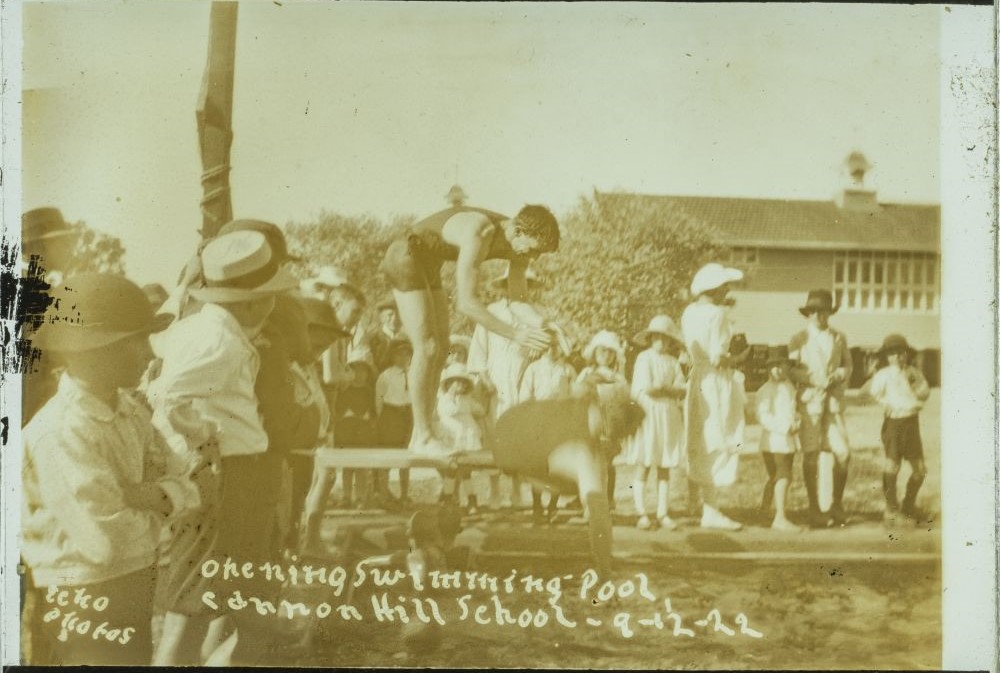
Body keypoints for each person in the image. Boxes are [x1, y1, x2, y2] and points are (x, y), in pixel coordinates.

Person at [22, 273, 193, 666]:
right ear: (97, 351)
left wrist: (145, 496)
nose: (151, 355)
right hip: (82, 593)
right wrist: (161, 506)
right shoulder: (60, 431)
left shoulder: (130, 412)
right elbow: (103, 539)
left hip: (133, 580)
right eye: (138, 342)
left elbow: (185, 479)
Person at [145, 230, 297, 665]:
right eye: (270, 296)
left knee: (212, 601)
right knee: (196, 603)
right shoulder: (221, 342)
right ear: (251, 302)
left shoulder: (201, 328)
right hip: (231, 474)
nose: (273, 304)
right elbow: (163, 395)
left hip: (237, 472)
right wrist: (199, 447)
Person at [379, 204, 560, 455]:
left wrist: (545, 324)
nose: (533, 258)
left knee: (441, 350)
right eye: (533, 249)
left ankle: (424, 433)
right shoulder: (481, 231)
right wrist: (516, 334)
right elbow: (466, 303)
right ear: (518, 230)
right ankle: (421, 436)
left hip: (429, 263)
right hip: (405, 256)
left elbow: (517, 300)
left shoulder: (519, 245)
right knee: (428, 347)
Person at [493, 380, 644, 579]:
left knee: (593, 474)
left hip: (510, 425)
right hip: (515, 447)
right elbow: (598, 514)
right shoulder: (584, 451)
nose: (620, 445)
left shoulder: (583, 409)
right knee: (596, 491)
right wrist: (605, 572)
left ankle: (602, 555)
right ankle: (604, 568)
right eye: (622, 438)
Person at [680, 262, 748, 531]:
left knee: (701, 437)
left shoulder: (688, 312)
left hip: (697, 379)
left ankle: (699, 502)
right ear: (714, 289)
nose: (726, 291)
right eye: (723, 286)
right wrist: (740, 358)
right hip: (715, 382)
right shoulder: (717, 315)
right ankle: (711, 510)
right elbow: (719, 357)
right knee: (719, 437)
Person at [788, 289, 853, 528]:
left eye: (823, 311)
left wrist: (838, 374)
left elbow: (848, 365)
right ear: (808, 314)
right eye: (814, 311)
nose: (818, 316)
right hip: (811, 402)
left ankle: (836, 504)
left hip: (833, 403)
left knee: (843, 453)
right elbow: (790, 369)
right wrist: (812, 378)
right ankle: (814, 507)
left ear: (829, 313)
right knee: (811, 454)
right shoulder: (799, 339)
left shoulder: (839, 337)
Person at [862, 334, 931, 525]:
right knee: (892, 465)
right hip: (894, 424)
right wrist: (886, 403)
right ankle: (891, 508)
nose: (897, 358)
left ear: (907, 354)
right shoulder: (884, 374)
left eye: (901, 354)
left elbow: (925, 393)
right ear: (887, 357)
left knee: (920, 469)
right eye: (892, 354)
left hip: (911, 423)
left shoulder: (913, 372)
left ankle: (908, 505)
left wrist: (915, 386)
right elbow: (871, 393)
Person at [627, 316, 687, 531]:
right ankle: (641, 512)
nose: (660, 342)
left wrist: (666, 388)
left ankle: (662, 512)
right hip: (649, 413)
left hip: (667, 415)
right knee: (644, 462)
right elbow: (648, 389)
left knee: (664, 465)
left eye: (665, 338)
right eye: (656, 337)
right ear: (650, 338)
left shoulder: (673, 362)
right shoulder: (644, 358)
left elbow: (682, 388)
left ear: (670, 341)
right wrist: (666, 389)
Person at [519, 329, 576, 524]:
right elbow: (525, 398)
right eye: (549, 345)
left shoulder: (567, 370)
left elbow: (575, 397)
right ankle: (537, 505)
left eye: (557, 345)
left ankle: (552, 506)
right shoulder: (533, 369)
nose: (553, 349)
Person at [576, 330, 630, 513]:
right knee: (590, 464)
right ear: (594, 353)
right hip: (591, 423)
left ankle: (607, 501)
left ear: (614, 355)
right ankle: (589, 504)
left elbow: (624, 401)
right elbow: (577, 396)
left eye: (609, 352)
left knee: (607, 464)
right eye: (601, 351)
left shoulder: (618, 378)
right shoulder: (587, 373)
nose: (605, 356)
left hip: (610, 427)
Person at [756, 346, 803, 531]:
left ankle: (764, 510)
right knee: (784, 476)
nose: (777, 370)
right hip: (774, 441)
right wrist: (785, 427)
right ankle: (780, 517)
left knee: (775, 477)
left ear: (787, 367)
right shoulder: (765, 390)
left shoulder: (789, 387)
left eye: (781, 366)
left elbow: (791, 410)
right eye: (772, 366)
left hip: (786, 441)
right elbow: (763, 416)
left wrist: (796, 419)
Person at [334, 357, 379, 508]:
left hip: (363, 431)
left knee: (361, 466)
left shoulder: (369, 391)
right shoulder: (344, 389)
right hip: (346, 430)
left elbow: (374, 411)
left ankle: (360, 497)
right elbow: (337, 410)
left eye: (363, 371)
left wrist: (369, 420)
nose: (360, 374)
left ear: (367, 373)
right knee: (347, 466)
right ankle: (346, 496)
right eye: (356, 370)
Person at [375, 339, 415, 504]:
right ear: (392, 355)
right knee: (387, 455)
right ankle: (383, 494)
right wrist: (383, 420)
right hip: (390, 415)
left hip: (408, 414)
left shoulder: (414, 373)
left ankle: (404, 495)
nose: (403, 357)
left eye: (407, 353)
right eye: (399, 353)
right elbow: (378, 400)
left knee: (406, 456)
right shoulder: (386, 375)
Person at [437, 363, 487, 452]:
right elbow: (446, 411)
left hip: (468, 428)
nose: (462, 385)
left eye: (464, 383)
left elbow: (479, 410)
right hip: (452, 427)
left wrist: (482, 406)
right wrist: (453, 397)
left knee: (471, 444)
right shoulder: (445, 398)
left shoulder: (467, 399)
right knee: (453, 447)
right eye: (458, 382)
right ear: (448, 384)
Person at [368, 296, 403, 372]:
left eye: (398, 315)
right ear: (382, 318)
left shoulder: (405, 338)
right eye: (390, 315)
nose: (394, 319)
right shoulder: (373, 339)